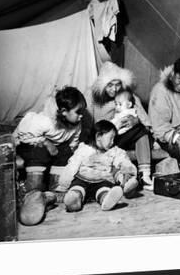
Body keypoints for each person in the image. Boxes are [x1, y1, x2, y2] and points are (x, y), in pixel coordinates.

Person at [13, 86, 86, 226]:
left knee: (66, 152)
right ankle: (33, 194)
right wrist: (46, 142)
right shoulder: (44, 121)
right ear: (64, 112)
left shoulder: (76, 123)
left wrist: (73, 158)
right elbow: (24, 136)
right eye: (78, 112)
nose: (81, 115)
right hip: (31, 143)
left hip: (55, 147)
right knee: (38, 152)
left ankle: (53, 192)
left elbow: (73, 143)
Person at [88, 61, 154, 187]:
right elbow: (87, 127)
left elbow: (145, 120)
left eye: (117, 84)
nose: (114, 89)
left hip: (126, 136)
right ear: (102, 86)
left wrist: (136, 120)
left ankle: (145, 174)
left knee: (142, 132)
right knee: (141, 131)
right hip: (104, 139)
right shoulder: (93, 99)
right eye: (110, 85)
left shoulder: (129, 96)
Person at [59, 120, 138, 212]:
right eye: (110, 138)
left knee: (104, 190)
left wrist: (128, 169)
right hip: (82, 179)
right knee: (77, 189)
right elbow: (73, 163)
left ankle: (105, 200)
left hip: (102, 180)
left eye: (114, 139)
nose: (113, 142)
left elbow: (122, 159)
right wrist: (65, 182)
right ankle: (74, 200)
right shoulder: (84, 149)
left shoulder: (113, 151)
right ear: (98, 136)